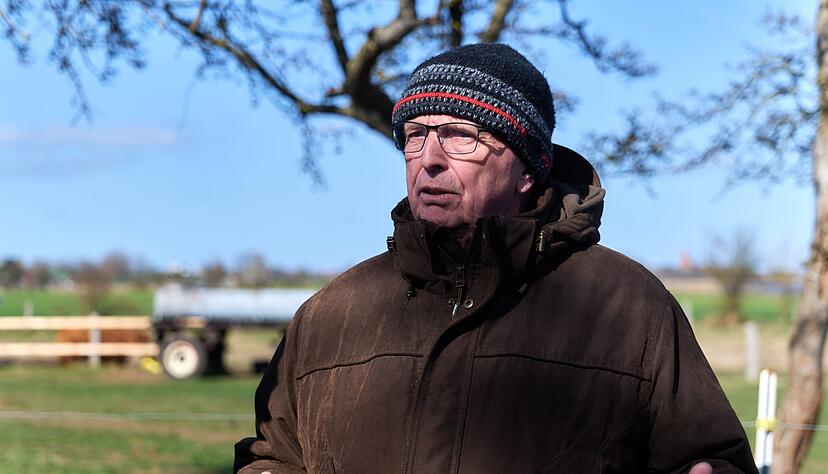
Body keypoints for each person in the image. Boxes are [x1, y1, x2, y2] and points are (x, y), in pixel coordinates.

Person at [235, 43, 757, 474]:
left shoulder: (626, 307)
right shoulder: (334, 313)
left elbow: (712, 457)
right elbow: (273, 454)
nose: (430, 160)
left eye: (461, 136)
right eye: (416, 136)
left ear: (527, 168)